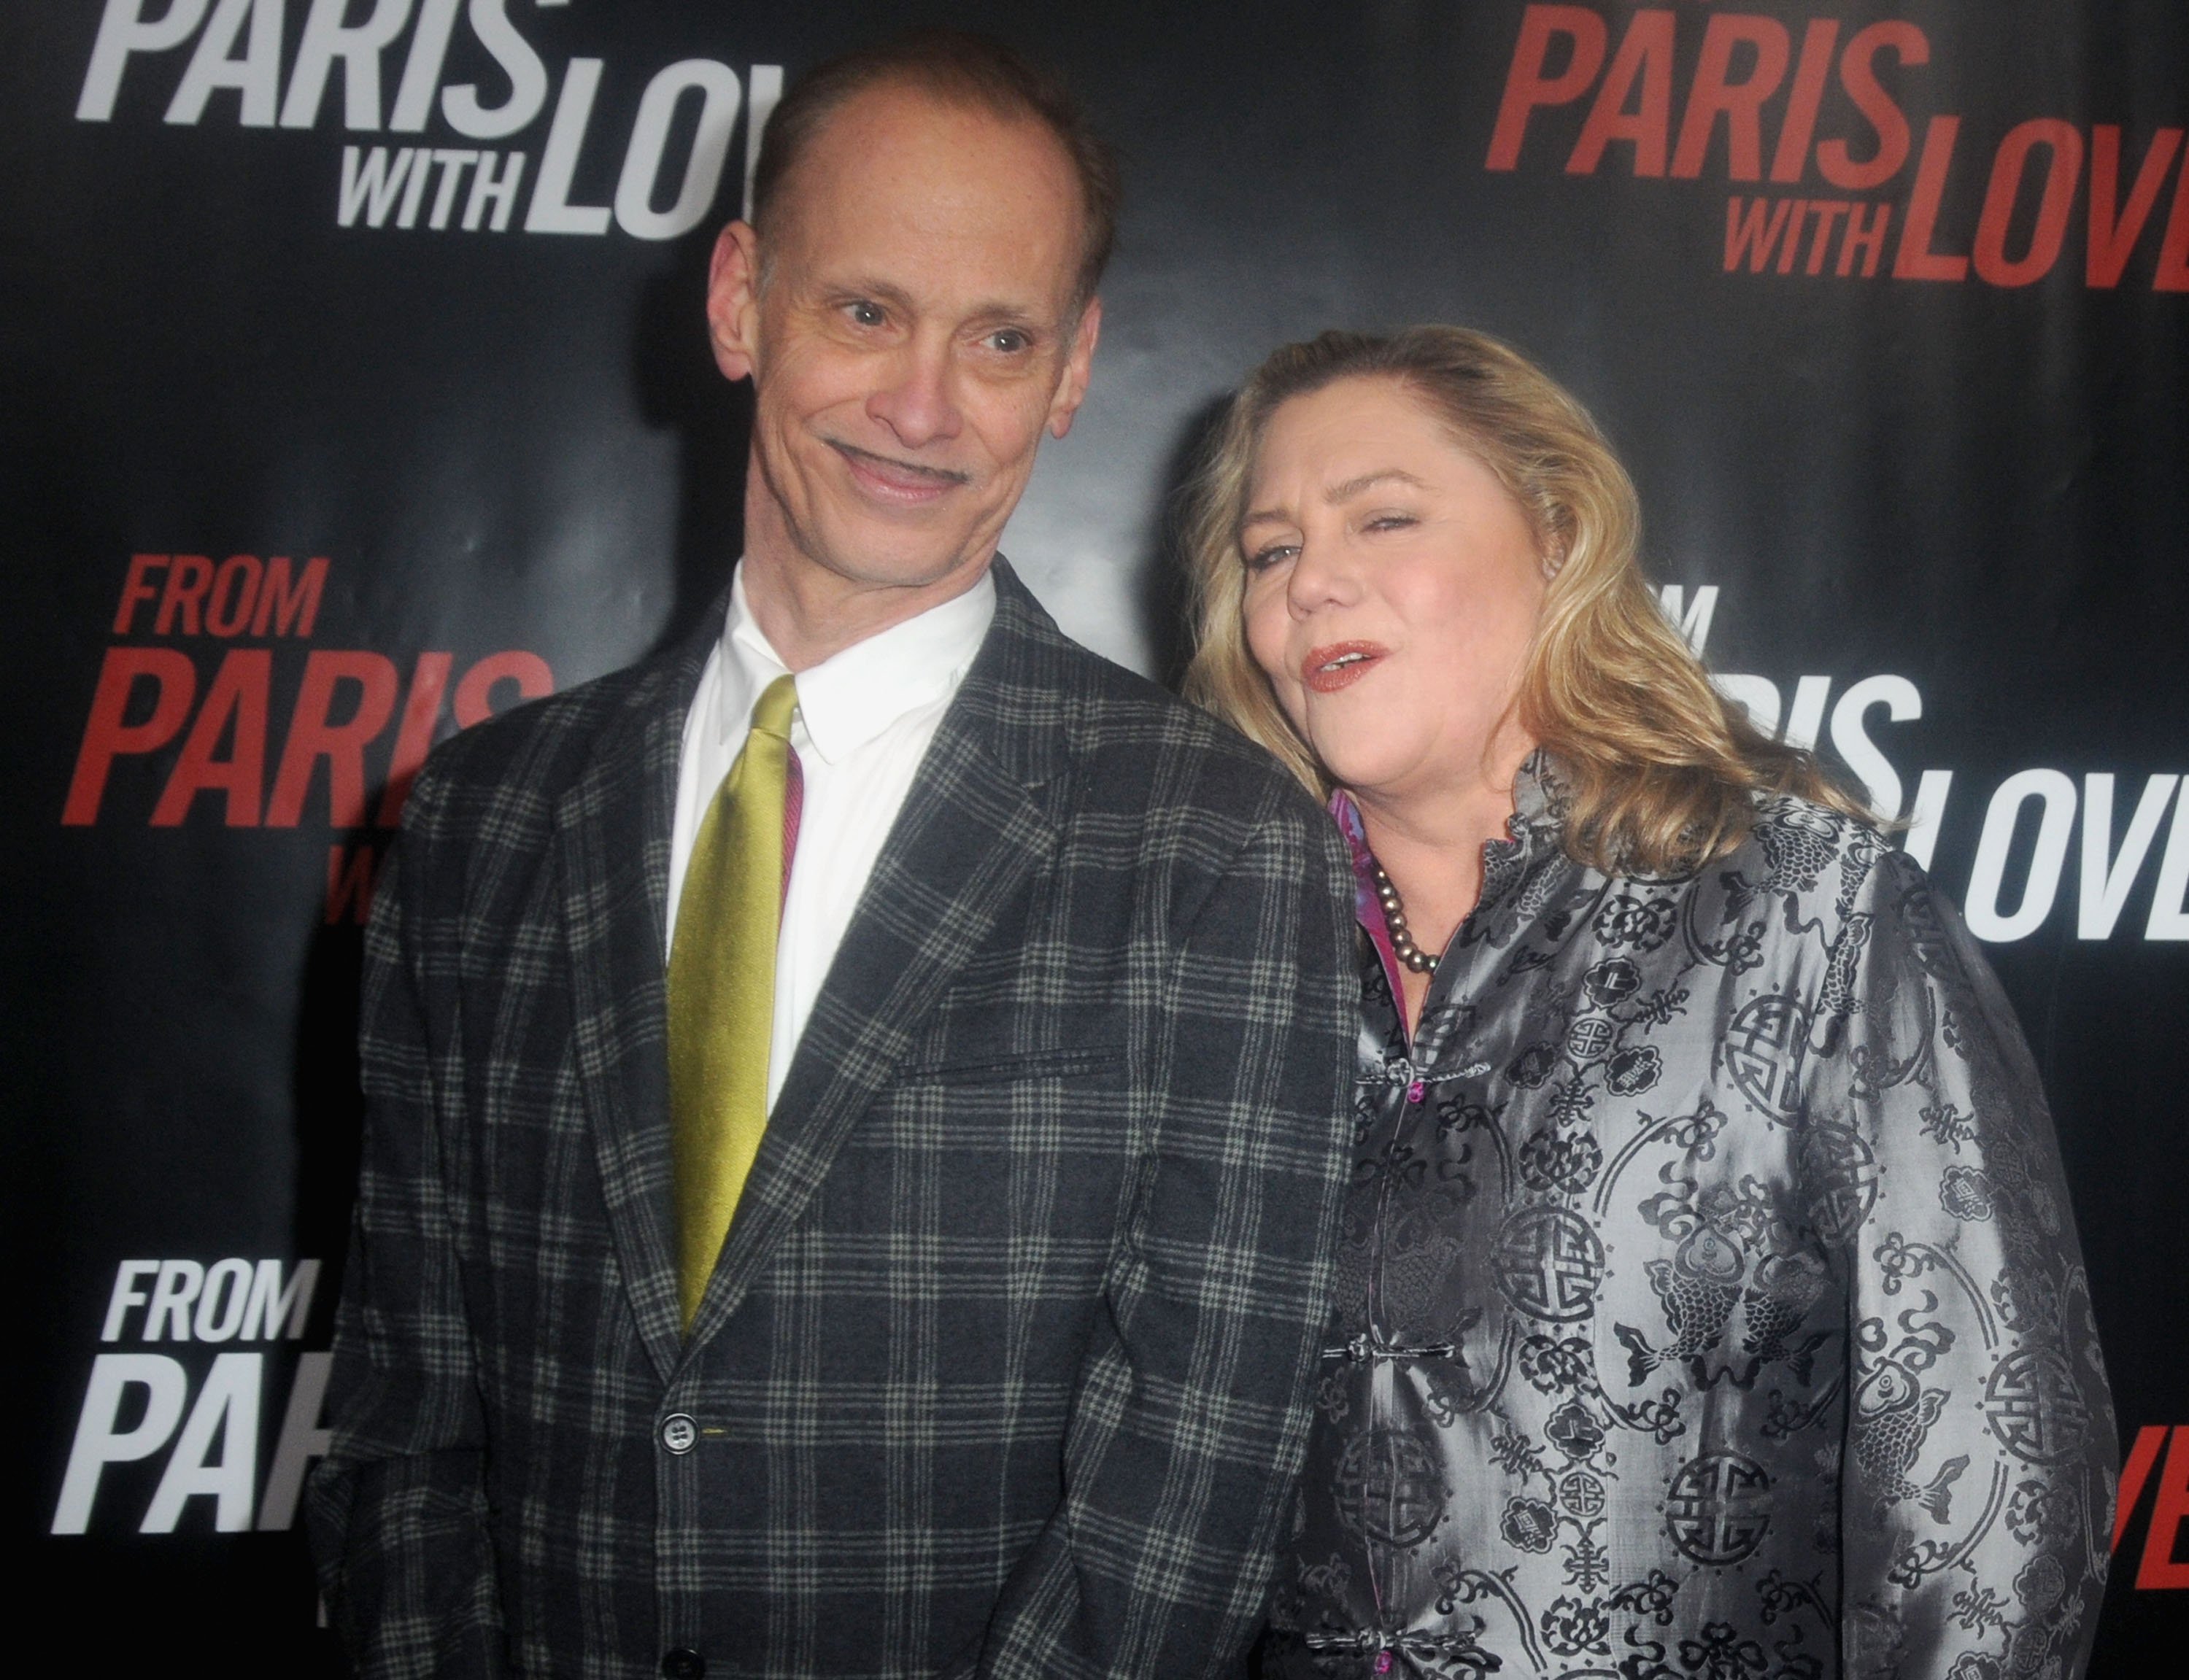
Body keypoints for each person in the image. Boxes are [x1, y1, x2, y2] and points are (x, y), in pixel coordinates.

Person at [309, 34, 1360, 1679]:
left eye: (998, 339)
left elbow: (1190, 1490)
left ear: (1075, 368)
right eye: (864, 312)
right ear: (740, 301)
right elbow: (401, 1414)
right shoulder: (476, 824)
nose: (923, 407)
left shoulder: (1215, 849)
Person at [1181, 327, 2117, 1679]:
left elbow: (1992, 1503)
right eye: (1269, 552)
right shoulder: (1219, 950)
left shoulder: (1807, 910)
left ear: (1556, 536)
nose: (1314, 581)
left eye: (1382, 517)